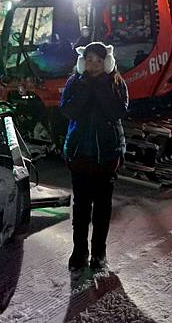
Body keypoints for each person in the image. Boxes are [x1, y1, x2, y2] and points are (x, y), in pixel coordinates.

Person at [59, 41, 128, 271]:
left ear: (107, 62)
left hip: (106, 157)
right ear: (82, 62)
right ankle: (79, 252)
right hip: (79, 155)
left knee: (101, 208)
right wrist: (86, 88)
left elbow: (117, 112)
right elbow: (67, 111)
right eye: (89, 60)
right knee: (80, 209)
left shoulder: (116, 83)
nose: (94, 65)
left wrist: (99, 88)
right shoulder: (75, 82)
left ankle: (99, 252)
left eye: (99, 60)